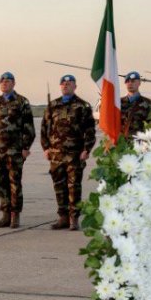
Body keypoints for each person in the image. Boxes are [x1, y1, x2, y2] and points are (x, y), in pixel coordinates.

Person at [42, 74, 97, 230]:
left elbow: (90, 130)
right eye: (63, 83)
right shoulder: (53, 105)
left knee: (74, 187)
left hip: (75, 154)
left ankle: (74, 218)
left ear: (75, 86)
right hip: (56, 154)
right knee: (59, 186)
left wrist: (87, 149)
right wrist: (46, 148)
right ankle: (63, 217)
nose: (65, 85)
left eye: (69, 83)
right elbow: (45, 128)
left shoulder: (82, 106)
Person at [0, 71, 36, 228]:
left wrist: (26, 147)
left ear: (14, 83)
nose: (5, 83)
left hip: (14, 151)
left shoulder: (22, 102)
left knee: (15, 183)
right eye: (2, 81)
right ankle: (5, 214)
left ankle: (15, 215)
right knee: (1, 183)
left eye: (8, 81)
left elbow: (29, 127)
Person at [121, 71, 151, 138]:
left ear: (139, 83)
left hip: (139, 141)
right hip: (121, 141)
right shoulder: (118, 103)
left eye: (133, 81)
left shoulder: (148, 104)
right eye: (127, 81)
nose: (130, 83)